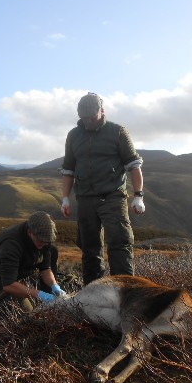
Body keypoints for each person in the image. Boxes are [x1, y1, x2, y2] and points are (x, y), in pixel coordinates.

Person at [60, 92, 145, 285]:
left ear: (102, 110)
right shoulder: (73, 135)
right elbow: (68, 169)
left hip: (112, 196)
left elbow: (133, 165)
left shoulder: (118, 132)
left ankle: (124, 291)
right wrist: (65, 197)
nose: (88, 121)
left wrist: (138, 195)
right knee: (90, 249)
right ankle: (93, 294)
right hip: (85, 199)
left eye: (92, 117)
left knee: (119, 244)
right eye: (84, 118)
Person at [0, 211, 67, 312]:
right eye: (41, 240)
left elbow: (45, 269)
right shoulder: (11, 245)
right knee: (27, 313)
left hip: (20, 268)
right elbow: (9, 284)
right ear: (30, 232)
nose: (44, 243)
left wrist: (54, 286)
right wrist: (39, 294)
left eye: (47, 241)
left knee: (53, 251)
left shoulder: (44, 239)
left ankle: (50, 298)